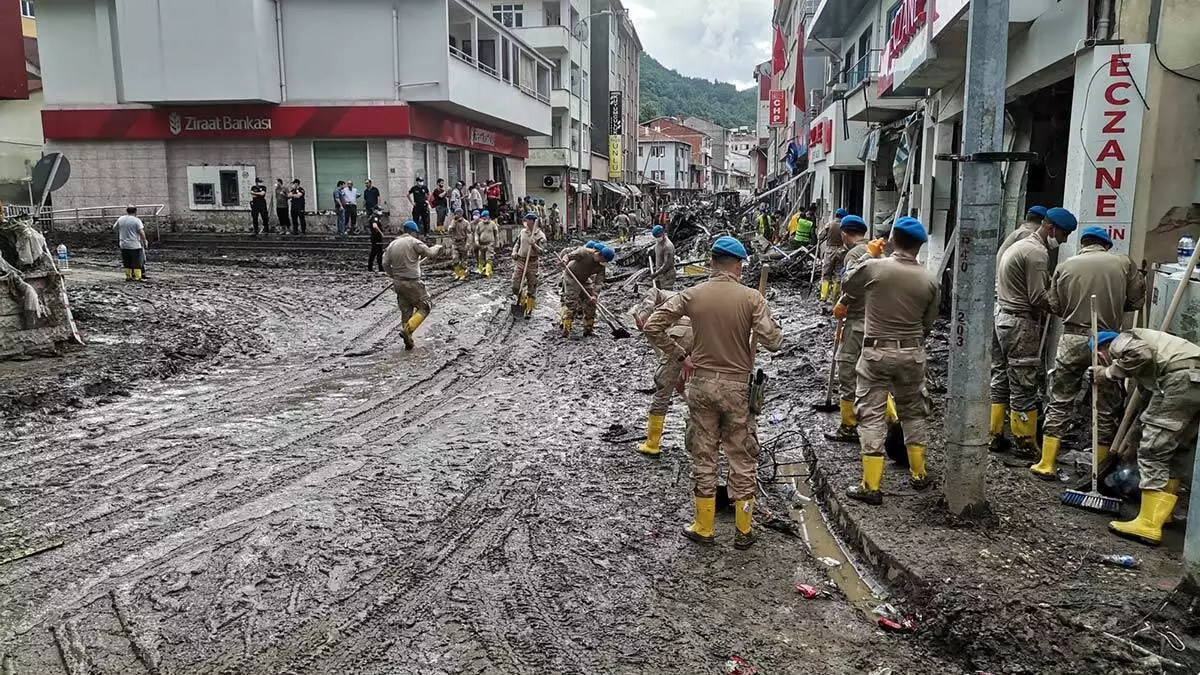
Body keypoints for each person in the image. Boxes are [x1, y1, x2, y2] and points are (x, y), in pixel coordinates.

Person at [643, 236, 783, 549]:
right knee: (741, 455)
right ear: (739, 265)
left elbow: (652, 325)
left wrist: (681, 355)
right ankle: (743, 531)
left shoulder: (691, 294)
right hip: (737, 386)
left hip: (701, 384)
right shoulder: (751, 298)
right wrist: (767, 323)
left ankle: (703, 527)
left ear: (710, 263)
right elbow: (773, 341)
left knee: (704, 455)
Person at [835, 217, 939, 504]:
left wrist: (870, 253)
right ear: (919, 246)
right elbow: (929, 323)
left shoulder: (874, 268)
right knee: (914, 411)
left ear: (893, 239)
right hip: (912, 353)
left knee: (871, 414)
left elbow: (847, 284)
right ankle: (919, 474)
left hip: (876, 353)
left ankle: (871, 485)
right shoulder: (930, 280)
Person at [1030, 225, 1146, 478]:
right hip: (1107, 340)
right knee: (1105, 404)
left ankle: (1047, 462)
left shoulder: (1065, 265)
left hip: (1071, 338)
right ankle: (1100, 468)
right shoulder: (1123, 263)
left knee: (1060, 397)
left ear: (1083, 244)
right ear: (1106, 245)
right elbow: (1137, 301)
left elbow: (1055, 305)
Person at [1091, 329, 1200, 545]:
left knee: (1153, 449)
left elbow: (1140, 355)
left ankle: (1149, 524)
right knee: (1177, 449)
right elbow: (1145, 408)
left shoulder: (1122, 341)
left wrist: (1107, 373)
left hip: (1180, 379)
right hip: (1193, 381)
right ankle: (1163, 515)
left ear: (1101, 353)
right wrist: (1133, 439)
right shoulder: (1157, 353)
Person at [990, 207, 1077, 458]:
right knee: (1024, 383)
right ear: (1050, 227)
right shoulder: (1037, 253)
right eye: (1063, 234)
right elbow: (1038, 296)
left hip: (1003, 316)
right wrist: (1063, 308)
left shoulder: (1020, 244)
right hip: (1019, 323)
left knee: (1001, 377)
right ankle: (1024, 442)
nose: (1064, 240)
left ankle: (995, 434)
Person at [826, 215, 883, 442]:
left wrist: (843, 302)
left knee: (847, 369)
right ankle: (890, 419)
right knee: (875, 374)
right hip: (879, 322)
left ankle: (849, 426)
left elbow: (853, 283)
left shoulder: (855, 254)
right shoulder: (881, 253)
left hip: (858, 320)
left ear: (844, 234)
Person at [633, 287, 694, 456]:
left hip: (681, 334)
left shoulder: (664, 295)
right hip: (705, 337)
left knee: (663, 387)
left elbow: (652, 294)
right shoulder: (694, 297)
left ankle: (652, 444)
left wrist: (645, 314)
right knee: (700, 388)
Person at [381, 220, 444, 351]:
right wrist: (437, 247)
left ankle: (408, 341)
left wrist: (393, 275)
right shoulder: (413, 242)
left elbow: (385, 264)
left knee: (406, 311)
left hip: (398, 283)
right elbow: (430, 253)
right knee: (425, 307)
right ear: (413, 232)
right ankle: (408, 330)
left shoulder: (392, 244)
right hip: (412, 282)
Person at [559, 242, 613, 337]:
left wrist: (594, 295)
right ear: (598, 253)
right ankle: (566, 329)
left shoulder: (601, 266)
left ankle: (588, 329)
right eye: (602, 259)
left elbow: (599, 282)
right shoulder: (584, 252)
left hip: (584, 279)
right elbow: (568, 256)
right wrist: (564, 260)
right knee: (572, 302)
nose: (601, 261)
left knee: (591, 303)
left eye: (604, 261)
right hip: (571, 276)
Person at [511, 212, 547, 319]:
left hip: (532, 262)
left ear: (531, 221)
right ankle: (521, 302)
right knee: (515, 284)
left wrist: (534, 245)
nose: (525, 222)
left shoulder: (540, 235)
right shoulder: (523, 232)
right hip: (520, 260)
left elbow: (543, 251)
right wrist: (514, 252)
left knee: (532, 286)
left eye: (527, 220)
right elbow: (517, 244)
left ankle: (529, 308)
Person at [819, 208, 849, 302]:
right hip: (841, 250)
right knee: (838, 274)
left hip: (830, 250)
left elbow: (820, 236)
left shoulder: (830, 224)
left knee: (826, 273)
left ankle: (824, 296)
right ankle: (834, 297)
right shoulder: (844, 226)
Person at [114, 205, 148, 281]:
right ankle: (137, 277)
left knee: (127, 261)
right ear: (135, 212)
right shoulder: (136, 220)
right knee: (137, 261)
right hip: (134, 244)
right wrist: (144, 240)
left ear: (127, 211)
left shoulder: (121, 219)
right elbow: (141, 231)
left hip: (123, 244)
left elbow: (114, 228)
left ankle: (128, 276)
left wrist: (122, 233)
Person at [448, 208, 473, 281]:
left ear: (461, 214)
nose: (457, 215)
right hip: (455, 242)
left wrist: (468, 243)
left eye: (458, 213)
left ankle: (463, 273)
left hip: (463, 242)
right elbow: (449, 230)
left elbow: (469, 234)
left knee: (463, 260)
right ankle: (457, 273)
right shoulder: (453, 222)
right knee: (455, 258)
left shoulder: (466, 223)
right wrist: (454, 222)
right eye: (455, 213)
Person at [473, 209, 499, 277]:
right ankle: (480, 270)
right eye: (482, 217)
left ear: (488, 216)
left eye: (485, 216)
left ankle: (488, 271)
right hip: (481, 244)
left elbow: (496, 234)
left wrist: (496, 243)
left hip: (490, 244)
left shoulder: (493, 224)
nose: (484, 218)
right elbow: (476, 233)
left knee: (489, 258)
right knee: (481, 257)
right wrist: (476, 241)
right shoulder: (479, 224)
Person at [650, 225, 676, 290]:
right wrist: (651, 250)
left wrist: (656, 273)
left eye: (657, 237)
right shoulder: (659, 241)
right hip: (659, 274)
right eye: (655, 237)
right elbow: (657, 247)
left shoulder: (668, 246)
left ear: (663, 234)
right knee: (658, 293)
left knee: (666, 295)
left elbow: (667, 264)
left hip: (667, 275)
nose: (656, 238)